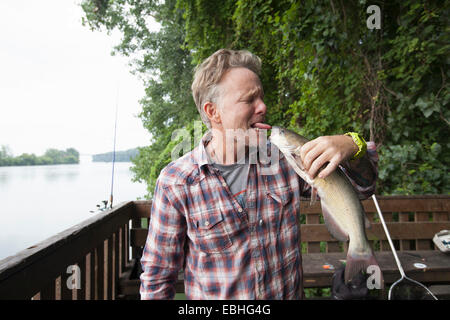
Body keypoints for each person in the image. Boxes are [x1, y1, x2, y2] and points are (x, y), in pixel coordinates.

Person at [139, 49, 378, 299]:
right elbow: (157, 277)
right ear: (213, 112)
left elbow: (363, 189)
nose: (263, 106)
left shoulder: (285, 160)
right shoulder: (176, 182)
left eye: (262, 97)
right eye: (249, 100)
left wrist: (354, 146)